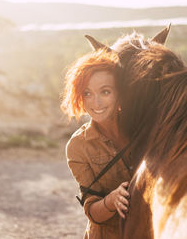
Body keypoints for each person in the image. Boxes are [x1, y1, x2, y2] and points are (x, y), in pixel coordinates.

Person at [61, 49, 133, 239]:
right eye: (87, 93)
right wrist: (111, 201)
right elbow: (92, 211)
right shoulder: (78, 146)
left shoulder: (144, 129)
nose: (96, 102)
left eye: (105, 92)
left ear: (120, 92)